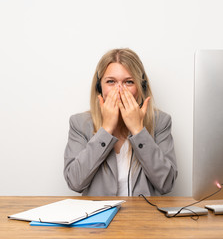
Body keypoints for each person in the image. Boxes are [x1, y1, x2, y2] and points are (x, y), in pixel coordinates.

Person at [64, 48, 177, 196]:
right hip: (100, 217)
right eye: (111, 81)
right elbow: (74, 182)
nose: (119, 90)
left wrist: (138, 131)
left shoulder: (161, 122)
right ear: (99, 87)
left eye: (129, 82)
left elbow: (166, 184)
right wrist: (105, 130)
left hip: (143, 217)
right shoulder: (80, 123)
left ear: (141, 87)